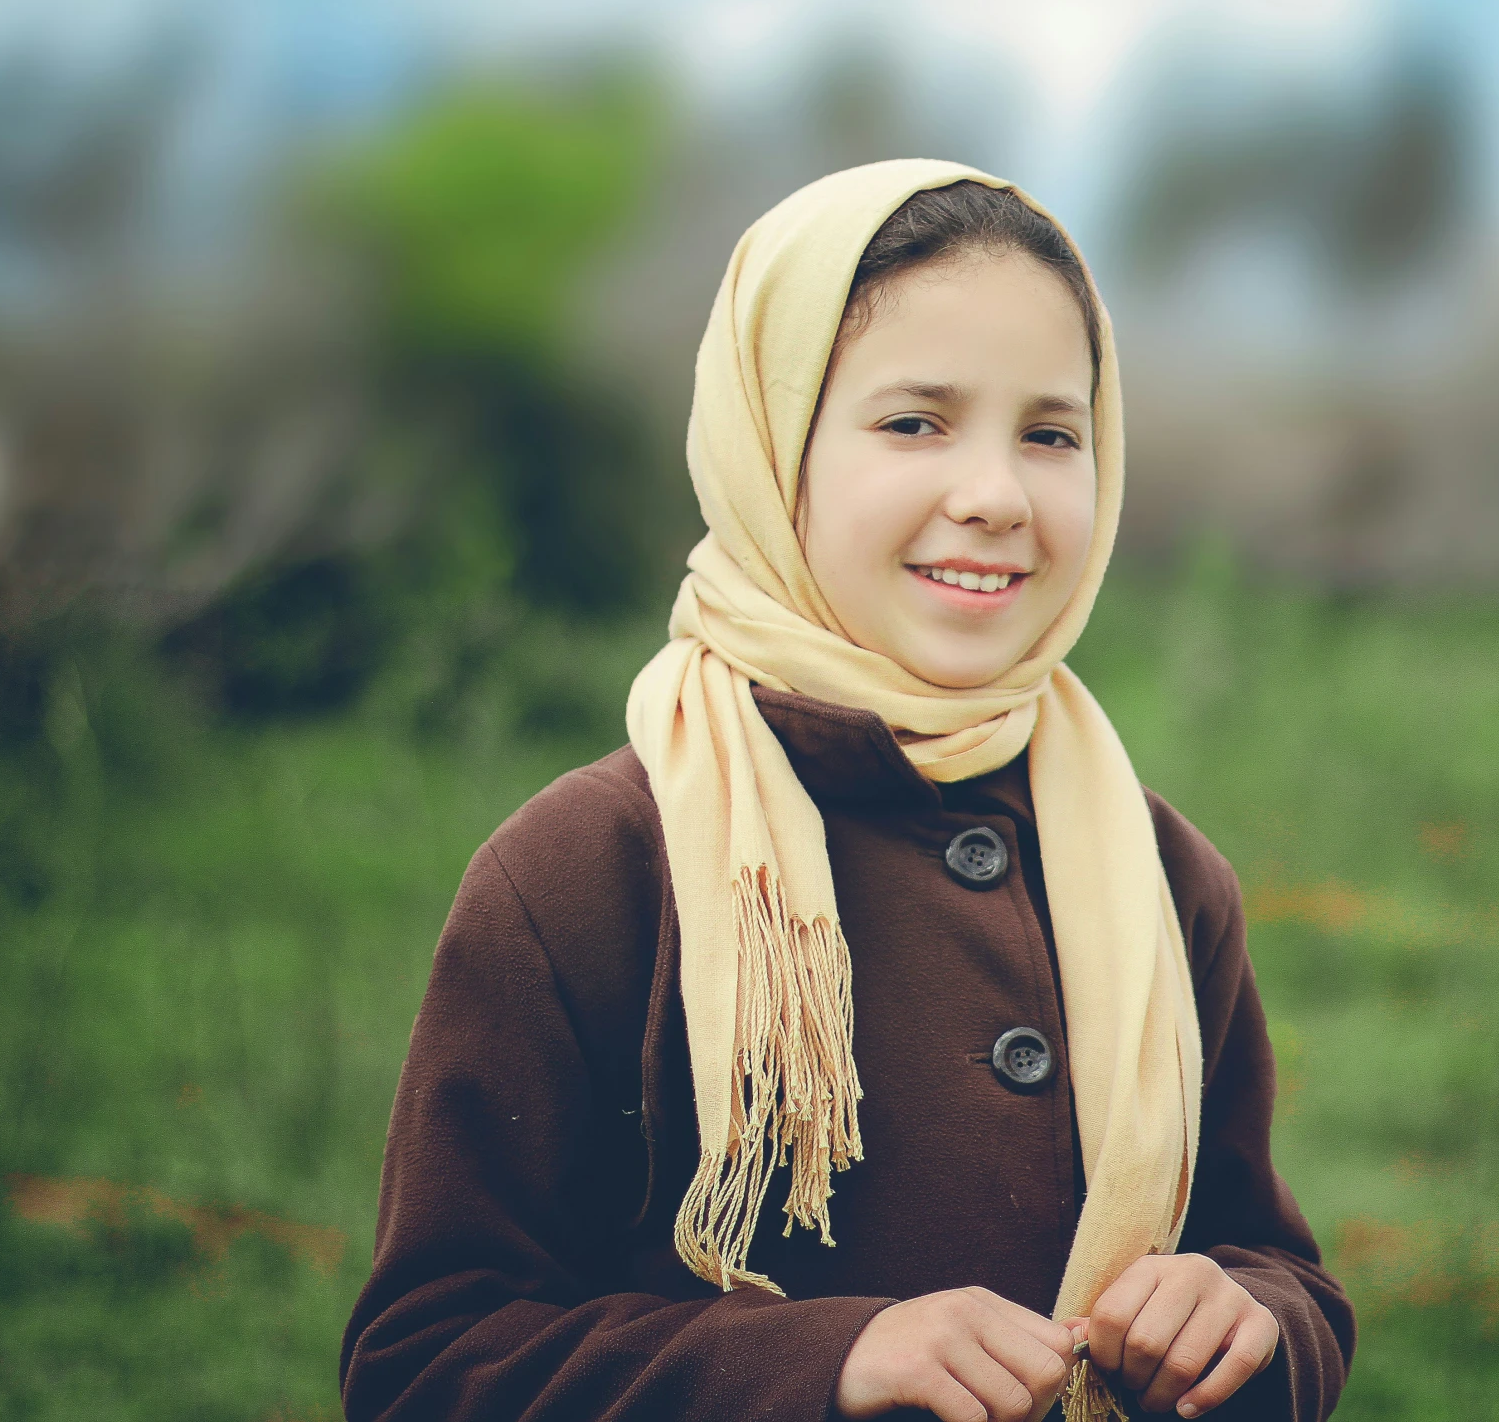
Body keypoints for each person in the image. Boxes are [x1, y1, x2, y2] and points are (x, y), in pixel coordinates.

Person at [339, 159, 1353, 1422]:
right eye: (913, 422)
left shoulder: (1157, 872)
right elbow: (429, 1364)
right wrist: (828, 1365)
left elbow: (1273, 1267)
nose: (991, 496)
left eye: (1050, 433)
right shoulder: (588, 866)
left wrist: (1248, 1325)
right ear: (770, 448)